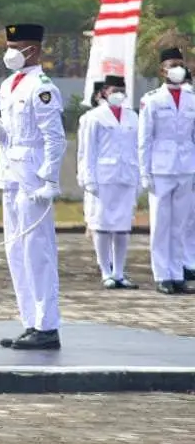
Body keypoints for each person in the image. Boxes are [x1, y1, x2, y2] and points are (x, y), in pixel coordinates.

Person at [0, 23, 66, 350]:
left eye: (14, 46)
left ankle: (47, 325)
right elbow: (15, 130)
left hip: (34, 176)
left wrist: (50, 178)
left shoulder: (42, 86)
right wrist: (1, 135)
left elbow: (54, 137)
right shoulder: (8, 85)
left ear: (31, 50)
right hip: (11, 172)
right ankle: (30, 322)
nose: (9, 52)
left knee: (38, 251)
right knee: (16, 250)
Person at [138, 47, 195, 294]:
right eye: (172, 64)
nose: (177, 69)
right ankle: (162, 274)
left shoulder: (192, 98)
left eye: (180, 64)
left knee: (180, 225)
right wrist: (144, 171)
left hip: (186, 166)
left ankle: (177, 273)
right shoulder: (151, 99)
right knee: (161, 224)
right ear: (162, 69)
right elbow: (144, 138)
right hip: (160, 168)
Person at [80, 75, 140, 290]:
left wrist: (139, 178)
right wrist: (88, 179)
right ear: (105, 91)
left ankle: (119, 272)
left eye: (122, 90)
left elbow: (137, 149)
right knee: (103, 226)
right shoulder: (94, 117)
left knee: (123, 227)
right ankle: (105, 271)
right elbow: (87, 151)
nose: (118, 94)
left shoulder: (133, 117)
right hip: (103, 178)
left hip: (126, 176)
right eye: (115, 89)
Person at [78, 81, 106, 239]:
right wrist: (83, 173)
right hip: (93, 166)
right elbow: (83, 149)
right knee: (93, 205)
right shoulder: (87, 118)